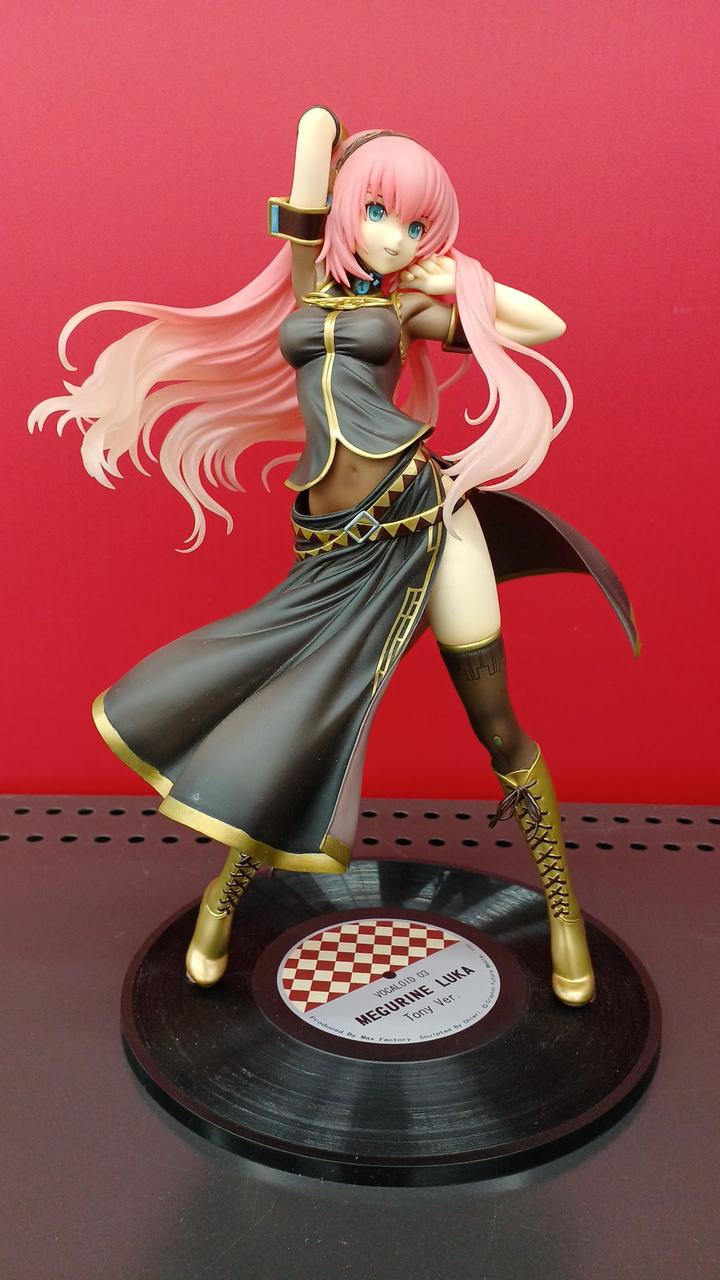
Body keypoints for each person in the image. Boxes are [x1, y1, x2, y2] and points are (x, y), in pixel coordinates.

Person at [28, 106, 639, 1008]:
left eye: (417, 224)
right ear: (349, 210)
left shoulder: (409, 309)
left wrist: (462, 277)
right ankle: (222, 900)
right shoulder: (308, 278)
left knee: (496, 724)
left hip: (426, 523)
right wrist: (334, 139)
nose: (395, 238)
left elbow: (543, 325)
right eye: (381, 213)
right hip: (335, 546)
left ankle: (561, 913)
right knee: (298, 720)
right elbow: (311, 155)